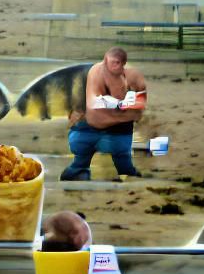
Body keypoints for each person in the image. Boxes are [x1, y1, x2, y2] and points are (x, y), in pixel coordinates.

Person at [60, 46, 146, 181]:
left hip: (113, 127)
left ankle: (124, 171)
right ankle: (80, 169)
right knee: (85, 146)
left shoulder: (129, 79)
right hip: (93, 124)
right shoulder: (92, 77)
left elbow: (137, 110)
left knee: (120, 153)